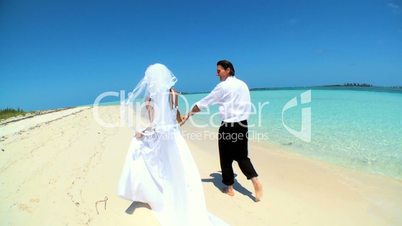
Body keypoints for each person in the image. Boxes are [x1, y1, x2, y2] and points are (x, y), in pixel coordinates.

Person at [117, 63, 229, 226]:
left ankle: (152, 193)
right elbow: (175, 114)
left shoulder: (150, 97)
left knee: (147, 154)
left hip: (160, 134)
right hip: (173, 134)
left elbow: (154, 121)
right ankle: (179, 195)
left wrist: (142, 132)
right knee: (179, 168)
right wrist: (181, 120)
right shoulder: (174, 93)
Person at [182, 60, 263, 202]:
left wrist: (188, 114)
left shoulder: (222, 87)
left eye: (219, 70)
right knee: (242, 156)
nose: (216, 73)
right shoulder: (243, 85)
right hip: (243, 125)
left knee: (225, 158)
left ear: (228, 70)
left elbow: (203, 103)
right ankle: (255, 180)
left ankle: (230, 188)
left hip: (228, 126)